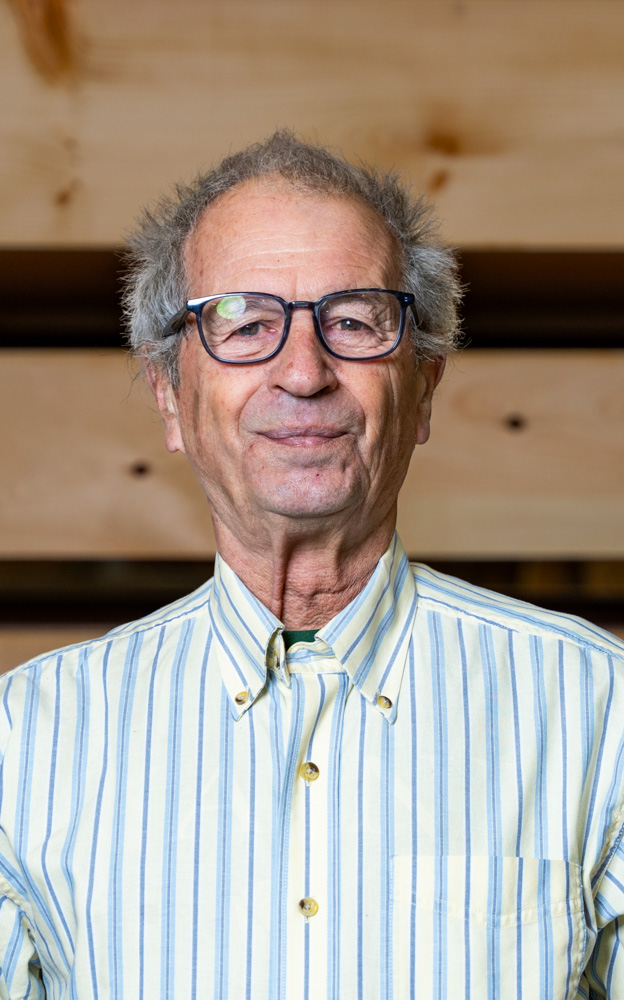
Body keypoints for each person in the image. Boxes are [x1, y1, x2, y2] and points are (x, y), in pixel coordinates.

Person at [1, 131, 623, 1000]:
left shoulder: (600, 710)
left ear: (424, 390)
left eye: (354, 320)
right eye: (246, 323)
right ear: (170, 398)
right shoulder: (26, 739)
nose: (303, 370)